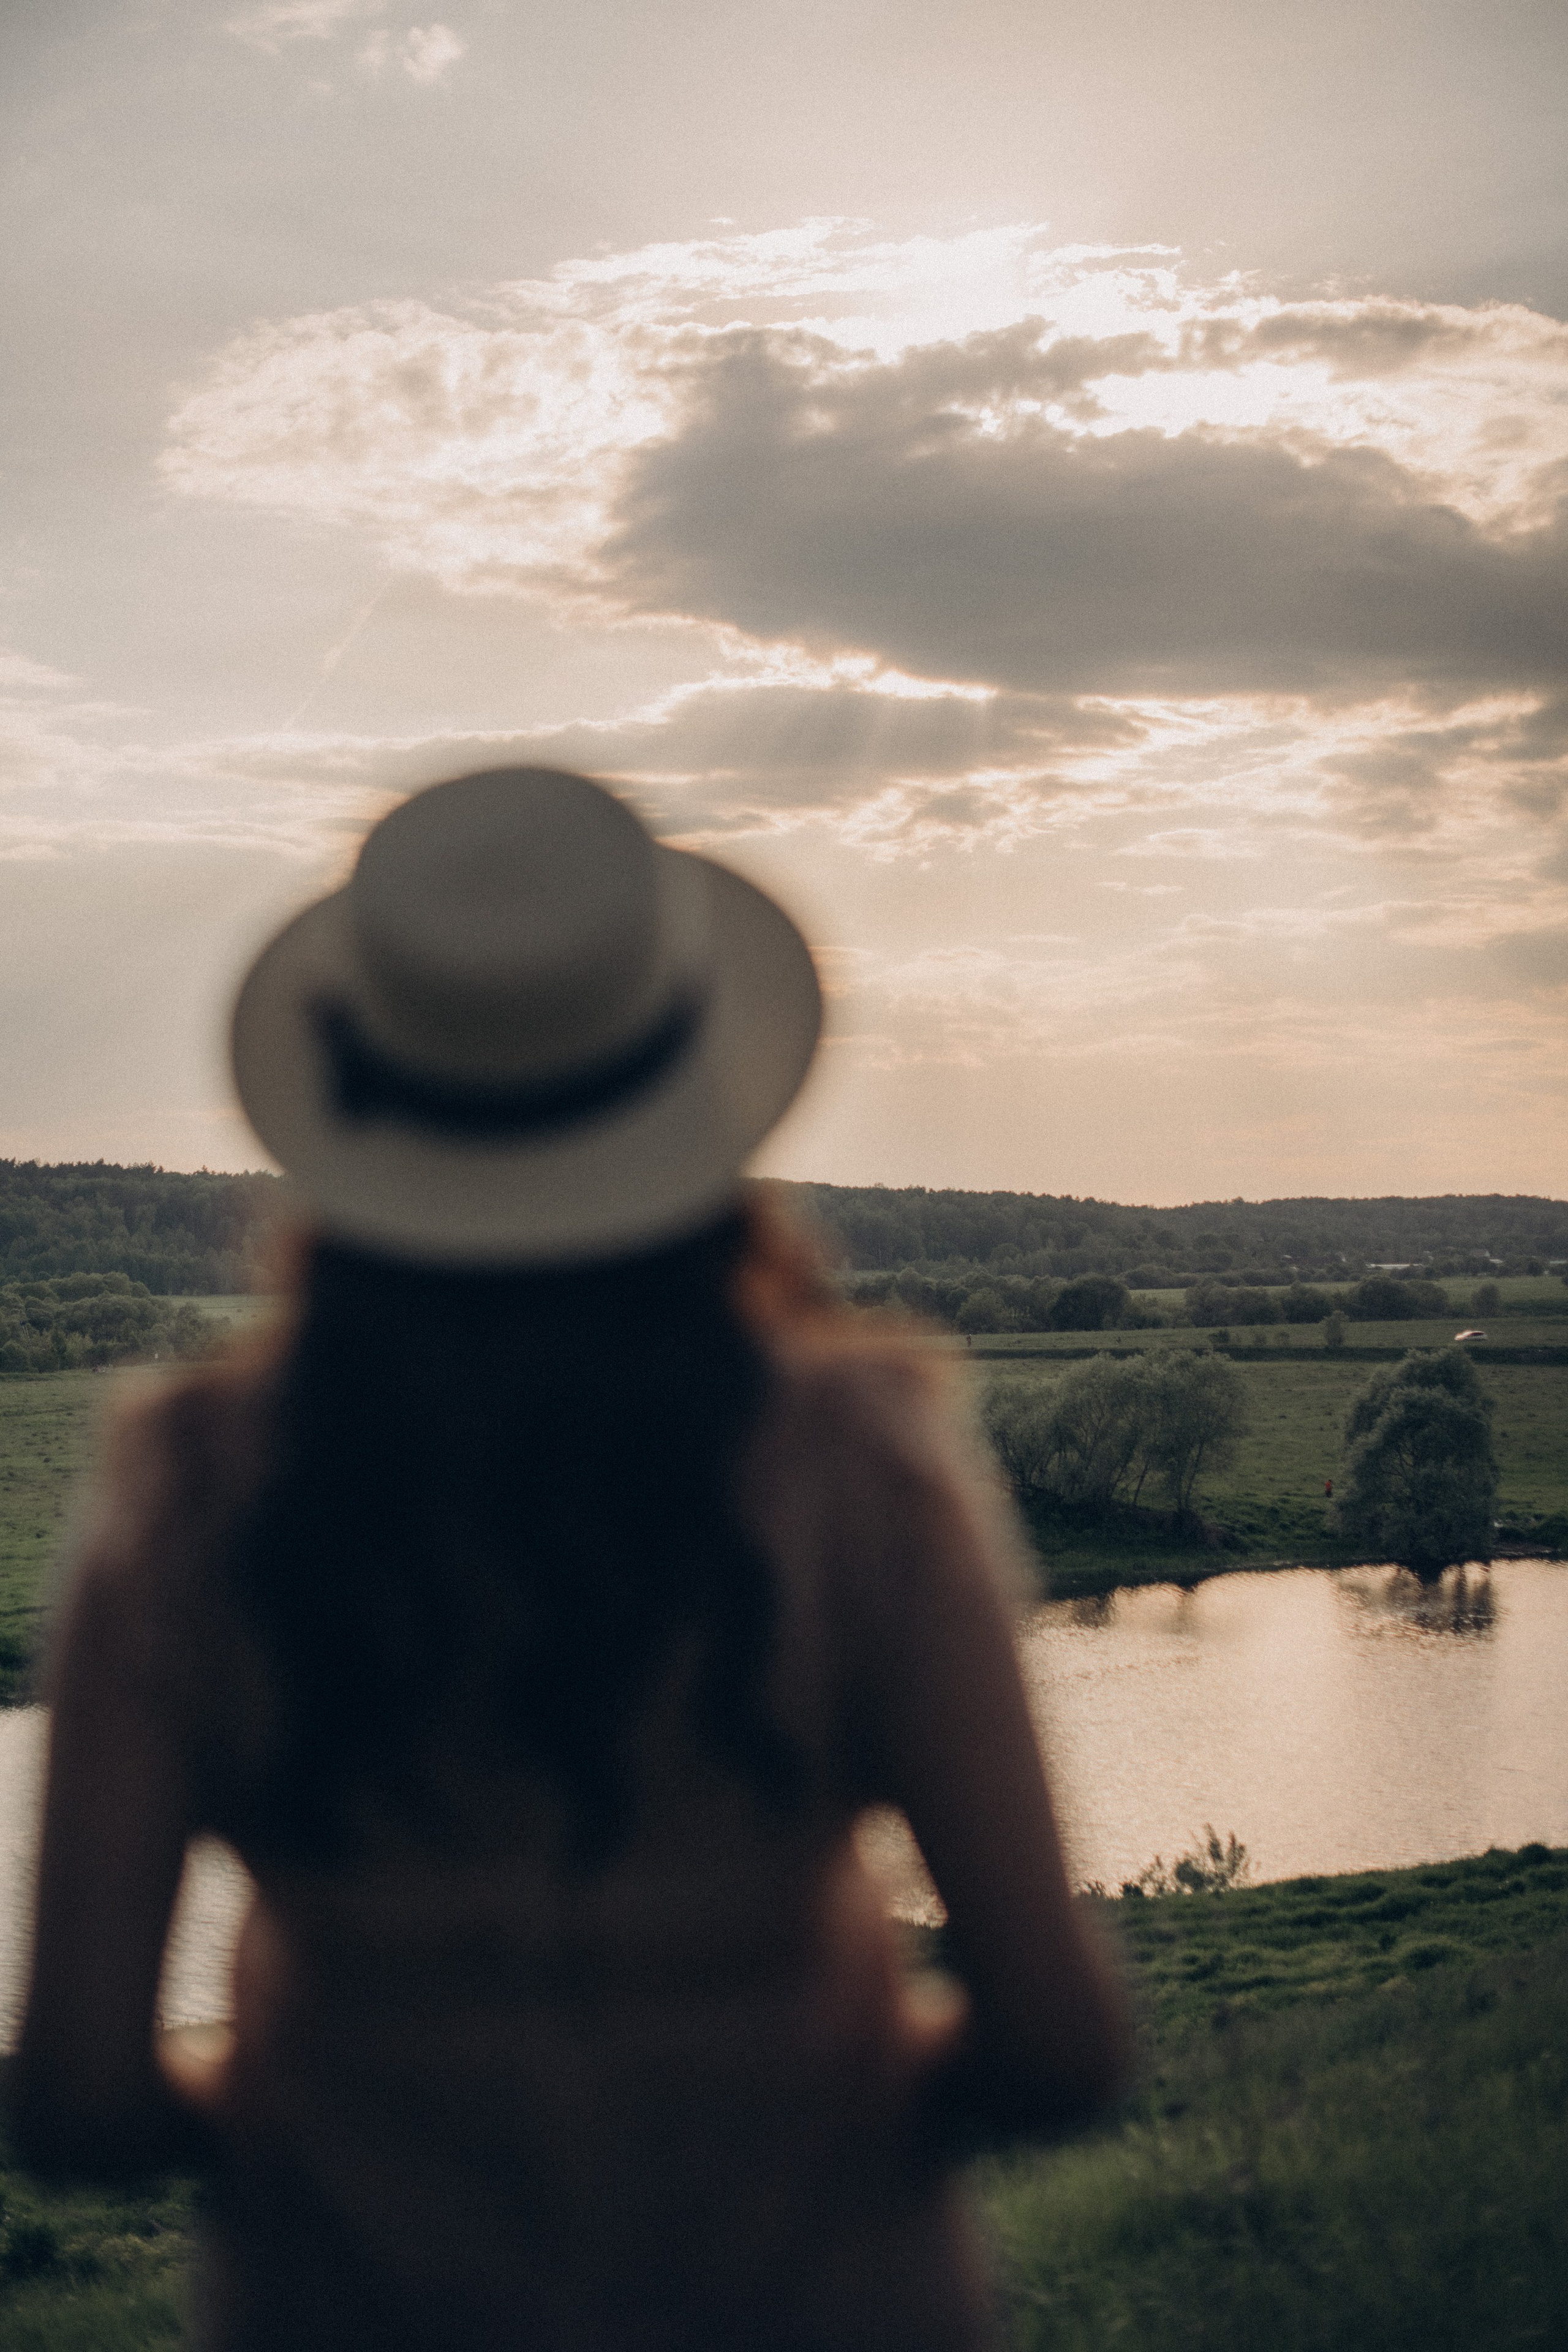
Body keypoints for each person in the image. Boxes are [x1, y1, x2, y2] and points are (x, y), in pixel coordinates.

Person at [13, 767, 1128, 2351]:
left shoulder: (189, 1493)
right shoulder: (851, 1461)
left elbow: (76, 2105)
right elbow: (1060, 2050)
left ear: (353, 1097)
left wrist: (313, 2125)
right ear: (693, 1088)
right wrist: (809, 2115)